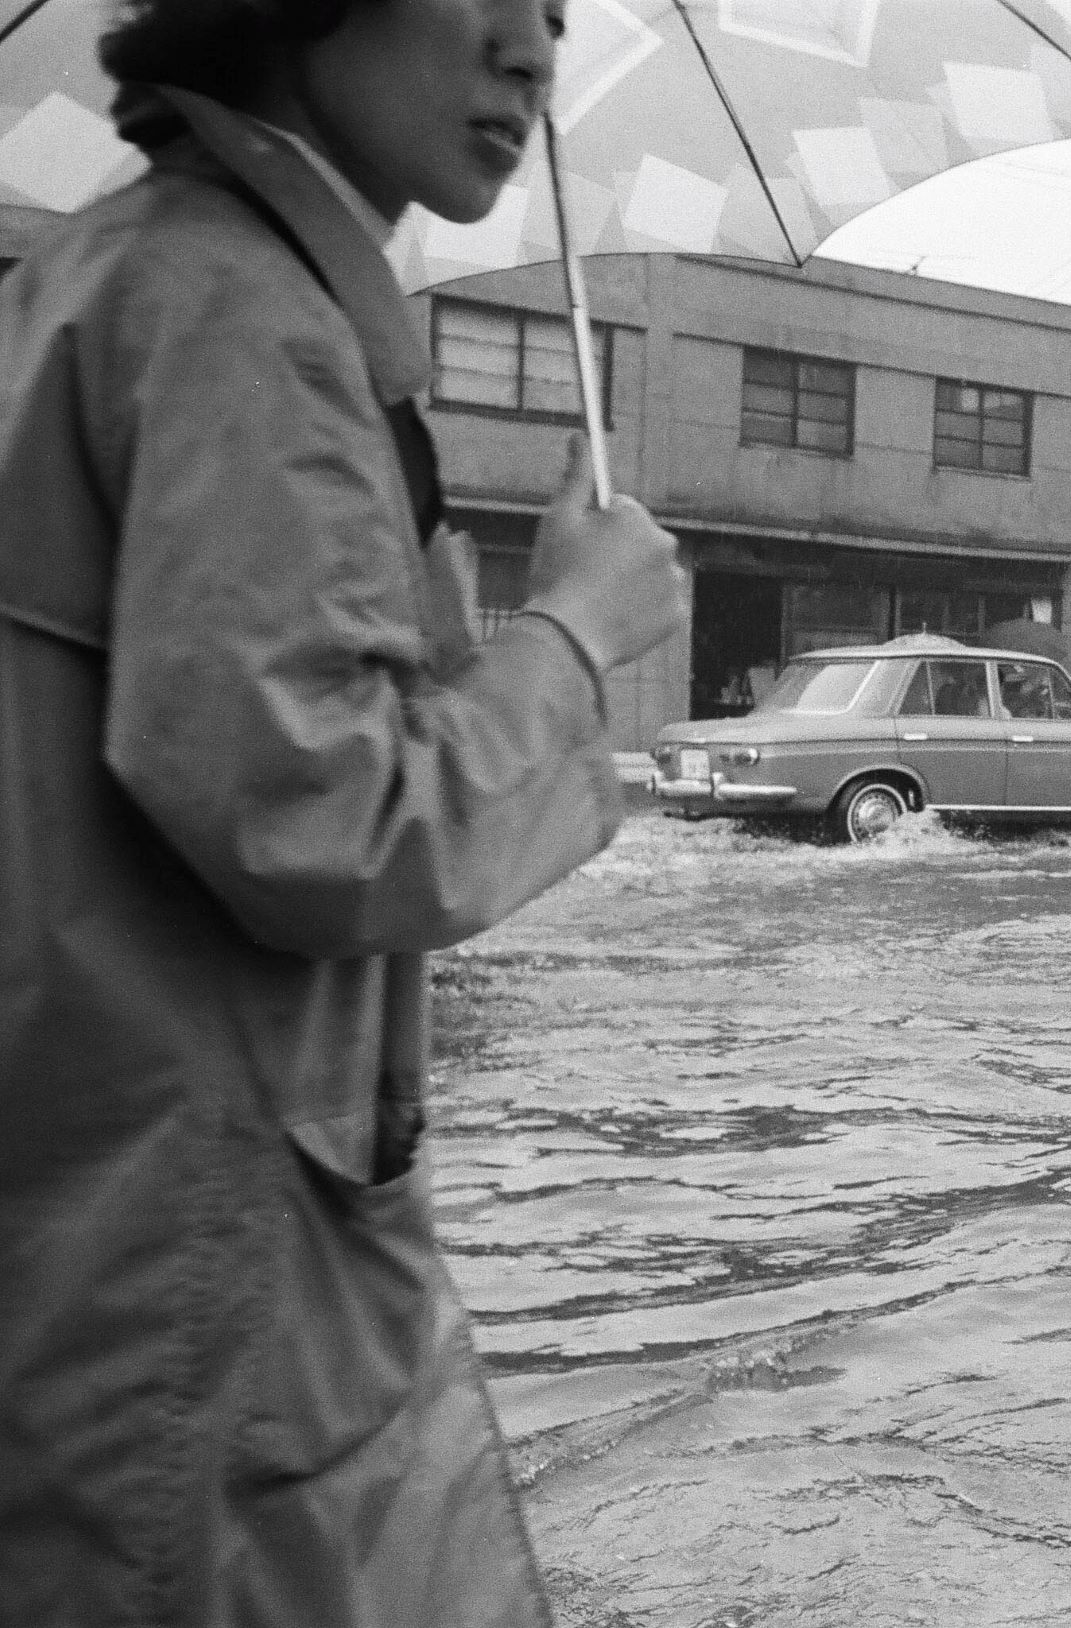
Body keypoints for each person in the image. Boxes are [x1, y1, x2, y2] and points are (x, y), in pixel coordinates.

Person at [0, 0, 687, 1620]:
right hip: (194, 1267)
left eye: (558, 13)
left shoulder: (119, 278)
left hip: (113, 1196)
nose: (533, 53)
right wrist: (576, 635)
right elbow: (330, 817)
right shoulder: (239, 309)